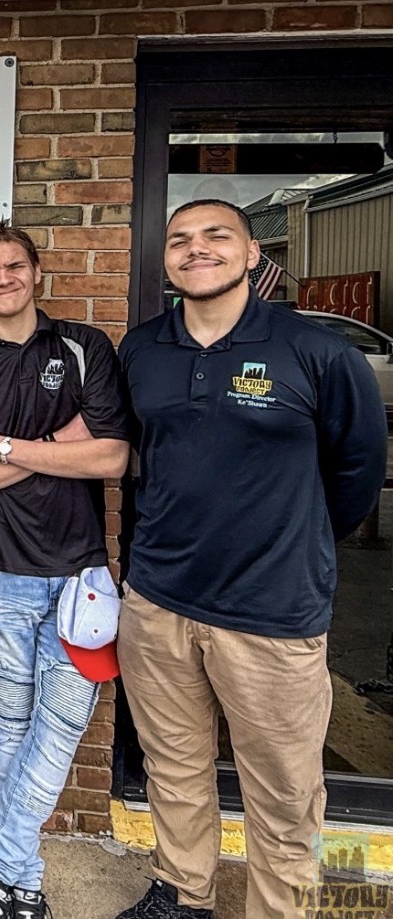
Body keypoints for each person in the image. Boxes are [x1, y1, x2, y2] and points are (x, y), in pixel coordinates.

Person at [114, 199, 386, 919]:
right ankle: (182, 893)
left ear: (251, 254)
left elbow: (355, 474)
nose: (196, 249)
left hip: (270, 614)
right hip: (158, 602)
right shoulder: (143, 348)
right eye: (180, 240)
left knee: (288, 794)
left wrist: (292, 542)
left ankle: (285, 909)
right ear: (166, 258)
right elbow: (145, 461)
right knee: (173, 769)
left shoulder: (319, 352)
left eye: (216, 236)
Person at [0, 223, 129, 919]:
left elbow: (111, 458)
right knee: (11, 722)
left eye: (13, 265)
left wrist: (11, 446)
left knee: (65, 720)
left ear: (36, 270)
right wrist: (63, 440)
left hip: (81, 576)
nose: (3, 279)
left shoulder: (84, 347)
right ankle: (13, 882)